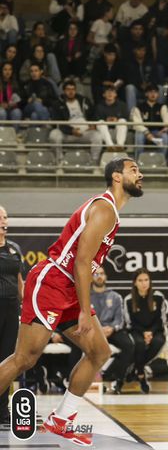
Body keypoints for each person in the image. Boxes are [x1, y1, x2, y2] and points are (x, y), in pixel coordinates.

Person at [0, 159, 143, 445]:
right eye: (134, 170)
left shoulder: (110, 211)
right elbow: (81, 263)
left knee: (99, 352)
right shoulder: (104, 209)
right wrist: (85, 314)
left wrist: (82, 310)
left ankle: (61, 419)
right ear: (116, 176)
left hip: (69, 287)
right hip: (54, 283)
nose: (140, 175)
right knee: (25, 359)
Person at [87, 268, 135, 395]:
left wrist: (112, 328)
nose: (99, 276)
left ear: (106, 276)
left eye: (102, 273)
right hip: (93, 331)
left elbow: (120, 319)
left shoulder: (115, 297)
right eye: (96, 274)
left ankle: (117, 380)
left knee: (129, 345)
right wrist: (97, 330)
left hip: (111, 330)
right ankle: (89, 379)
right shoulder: (86, 296)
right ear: (91, 277)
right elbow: (84, 317)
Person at [0, 205, 26, 430]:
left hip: (11, 310)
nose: (3, 220)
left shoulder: (14, 248)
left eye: (5, 217)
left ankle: (3, 409)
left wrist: (26, 305)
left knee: (8, 358)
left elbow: (20, 281)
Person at [123, 269, 167, 394]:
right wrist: (143, 333)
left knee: (158, 342)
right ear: (135, 283)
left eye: (146, 280)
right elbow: (129, 323)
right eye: (140, 280)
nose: (144, 283)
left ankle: (135, 369)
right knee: (139, 344)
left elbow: (161, 319)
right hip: (137, 330)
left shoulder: (158, 297)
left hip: (155, 330)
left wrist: (151, 332)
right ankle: (142, 376)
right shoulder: (129, 299)